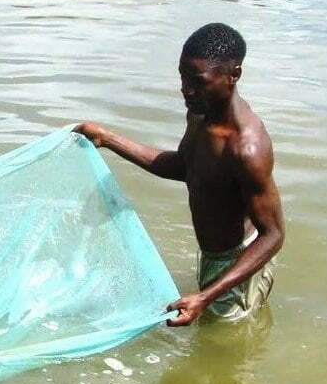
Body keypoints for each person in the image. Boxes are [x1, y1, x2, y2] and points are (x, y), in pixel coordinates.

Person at [73, 23, 284, 325]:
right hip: (214, 257)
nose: (186, 89)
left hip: (238, 262)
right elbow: (185, 168)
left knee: (225, 352)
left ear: (233, 75)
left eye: (197, 81)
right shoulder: (199, 112)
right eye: (183, 77)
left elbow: (273, 235)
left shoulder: (246, 148)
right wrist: (107, 139)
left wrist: (206, 295)